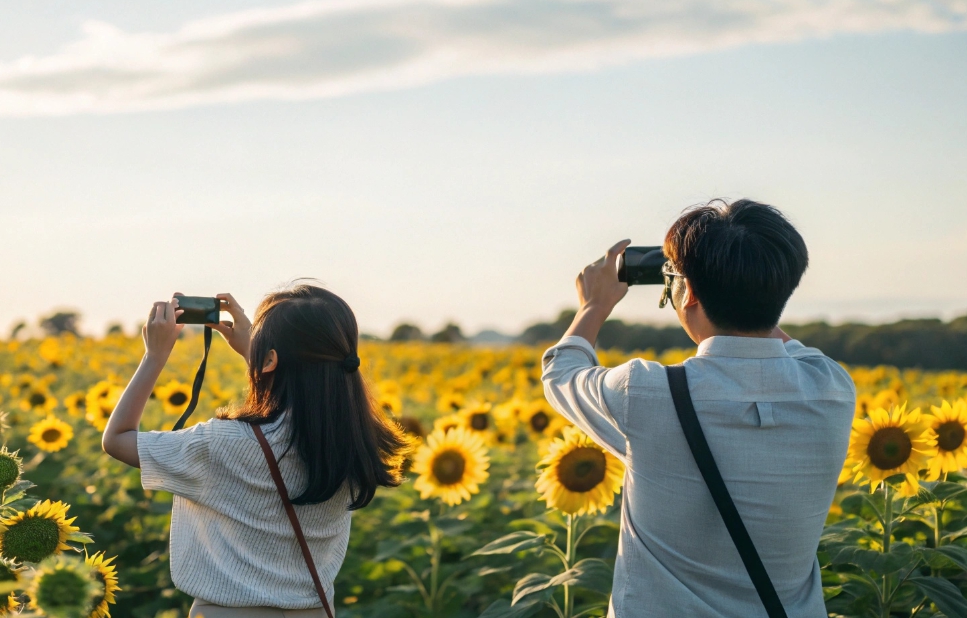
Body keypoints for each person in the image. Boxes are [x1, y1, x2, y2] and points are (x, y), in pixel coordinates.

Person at [542, 199, 855, 617]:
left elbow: (561, 373)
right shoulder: (831, 388)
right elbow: (777, 341)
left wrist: (593, 306)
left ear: (687, 292)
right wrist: (750, 287)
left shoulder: (646, 393)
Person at [102, 284, 414, 616]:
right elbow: (310, 388)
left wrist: (155, 355)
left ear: (270, 360)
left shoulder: (225, 442)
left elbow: (117, 439)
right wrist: (263, 356)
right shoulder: (356, 441)